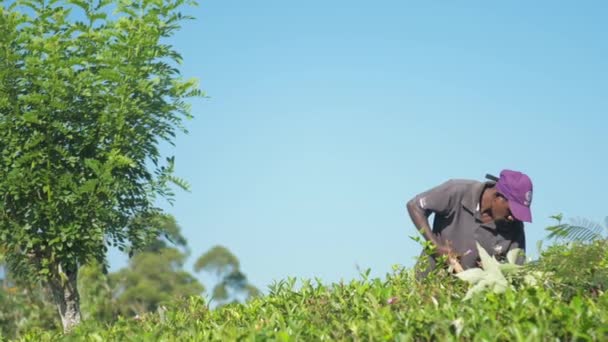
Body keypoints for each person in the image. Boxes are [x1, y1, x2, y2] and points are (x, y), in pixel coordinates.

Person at [406, 169, 533, 277]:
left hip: (469, 301)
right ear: (497, 197)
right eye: (511, 210)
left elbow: (516, 273)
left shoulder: (515, 227)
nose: (513, 217)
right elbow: (415, 206)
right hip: (428, 288)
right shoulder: (458, 191)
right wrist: (436, 246)